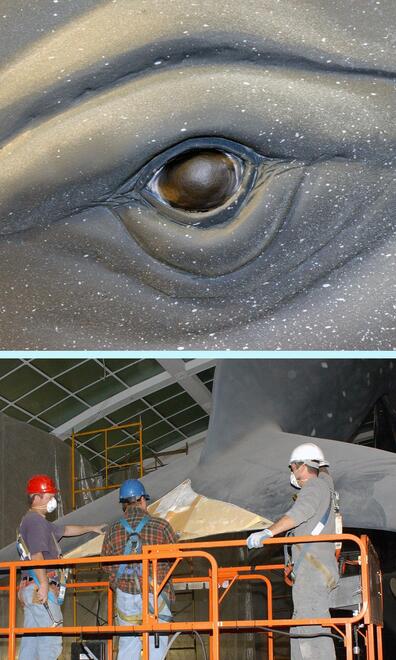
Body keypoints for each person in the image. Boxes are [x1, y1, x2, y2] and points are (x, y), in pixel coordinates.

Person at [246, 443, 339, 660]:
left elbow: (298, 514)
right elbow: (325, 474)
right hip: (319, 567)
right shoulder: (325, 485)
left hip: (312, 569)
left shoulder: (314, 487)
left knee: (309, 627)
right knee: (302, 626)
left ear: (303, 466)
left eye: (293, 467)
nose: (292, 472)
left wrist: (267, 533)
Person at [17, 474, 106, 660]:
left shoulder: (40, 523)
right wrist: (43, 584)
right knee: (50, 642)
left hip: (31, 587)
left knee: (31, 646)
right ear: (36, 497)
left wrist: (91, 528)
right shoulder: (35, 522)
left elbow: (66, 530)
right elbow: (36, 554)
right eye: (49, 496)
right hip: (39, 588)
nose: (53, 500)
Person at [101, 478, 178, 660]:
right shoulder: (161, 526)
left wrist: (118, 583)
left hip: (125, 597)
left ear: (124, 505)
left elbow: (105, 564)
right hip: (155, 593)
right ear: (143, 500)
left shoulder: (113, 530)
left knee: (128, 647)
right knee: (156, 649)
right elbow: (175, 556)